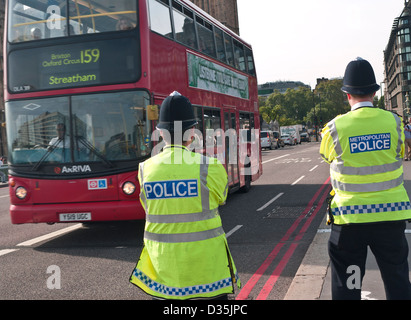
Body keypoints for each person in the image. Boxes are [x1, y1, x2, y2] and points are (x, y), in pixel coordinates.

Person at [129, 91, 240, 300]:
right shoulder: (210, 167)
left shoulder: (144, 169)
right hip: (208, 277)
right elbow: (221, 199)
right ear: (192, 132)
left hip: (163, 277)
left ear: (160, 132)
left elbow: (149, 208)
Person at [320, 57, 411, 300]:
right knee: (397, 280)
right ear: (374, 91)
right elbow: (401, 153)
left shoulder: (333, 129)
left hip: (349, 222)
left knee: (347, 285)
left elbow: (327, 157)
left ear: (347, 94)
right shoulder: (395, 122)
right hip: (390, 218)